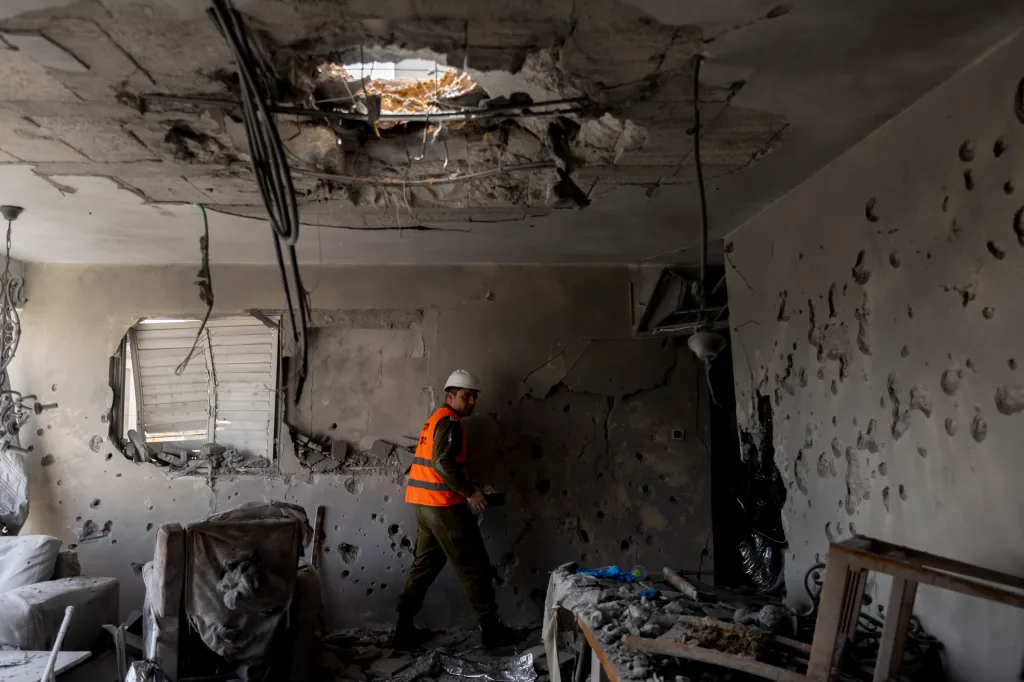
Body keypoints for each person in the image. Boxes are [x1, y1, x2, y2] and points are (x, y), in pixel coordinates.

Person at [393, 369, 517, 650]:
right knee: (473, 565)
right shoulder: (450, 423)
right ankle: (491, 632)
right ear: (450, 396)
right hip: (443, 507)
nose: (472, 401)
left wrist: (469, 485)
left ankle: (402, 631)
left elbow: (442, 465)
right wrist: (470, 493)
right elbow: (442, 464)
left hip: (424, 507)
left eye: (474, 396)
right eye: (465, 396)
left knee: (424, 565)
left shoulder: (435, 420)